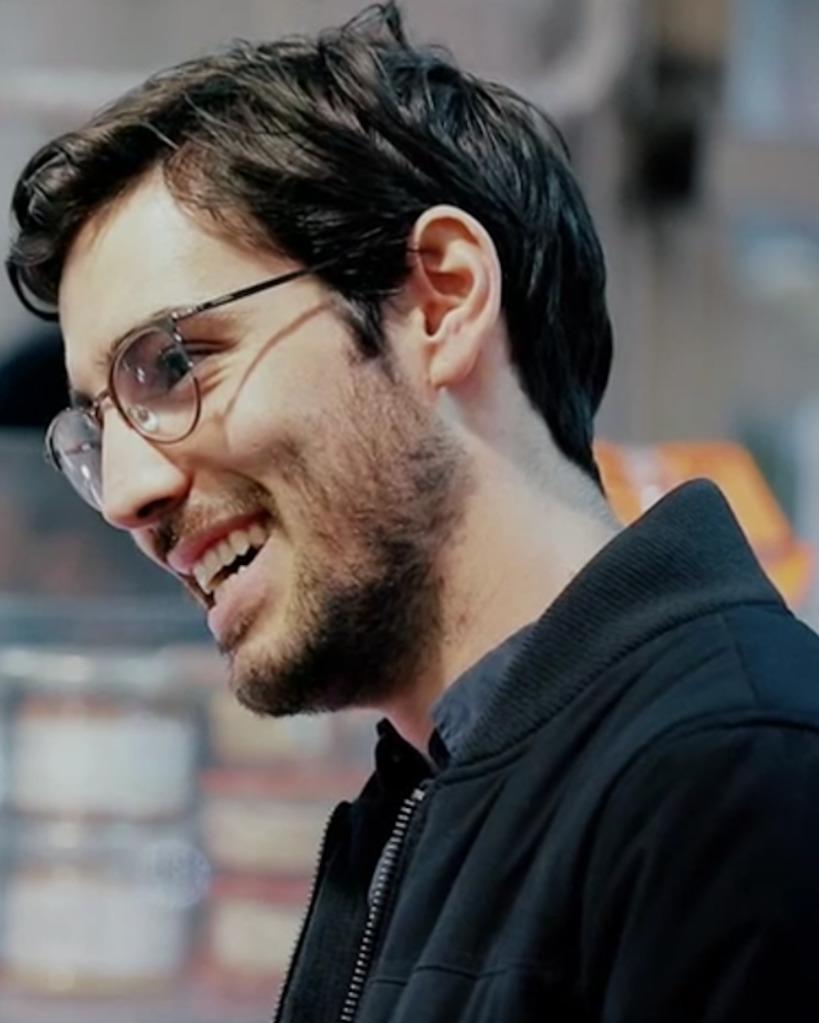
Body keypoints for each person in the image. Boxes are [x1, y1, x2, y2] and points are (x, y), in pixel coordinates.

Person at [6, 5, 819, 1020]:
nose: (128, 495)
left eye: (172, 365)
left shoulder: (735, 778)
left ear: (440, 300)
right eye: (97, 430)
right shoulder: (426, 798)